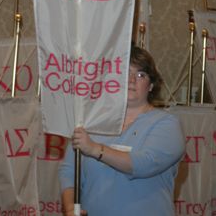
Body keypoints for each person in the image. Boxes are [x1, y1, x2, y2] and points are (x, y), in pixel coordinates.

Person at [59, 44, 185, 216]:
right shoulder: (91, 121)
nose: (132, 80)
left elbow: (144, 164)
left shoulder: (167, 124)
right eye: (125, 72)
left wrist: (95, 149)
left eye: (141, 75)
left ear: (151, 85)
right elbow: (69, 171)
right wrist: (69, 208)